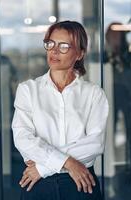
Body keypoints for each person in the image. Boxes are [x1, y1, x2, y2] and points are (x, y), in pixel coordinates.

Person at [11, 20, 109, 200]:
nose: (54, 51)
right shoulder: (28, 90)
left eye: (64, 46)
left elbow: (95, 143)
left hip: (80, 182)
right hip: (38, 185)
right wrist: (68, 162)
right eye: (51, 43)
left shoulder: (94, 94)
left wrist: (43, 168)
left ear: (80, 53)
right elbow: (23, 138)